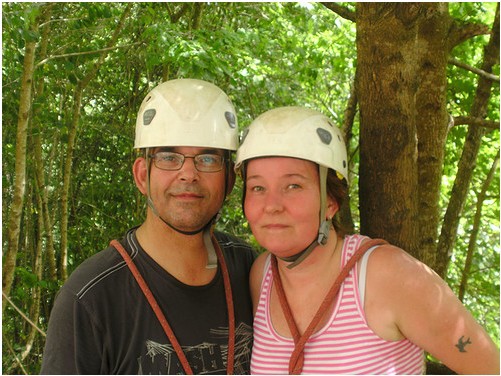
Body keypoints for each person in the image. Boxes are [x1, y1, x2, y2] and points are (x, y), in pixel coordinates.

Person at [234, 106, 500, 375]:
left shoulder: (388, 275)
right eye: (258, 187)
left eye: (293, 186)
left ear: (331, 202)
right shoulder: (263, 275)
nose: (272, 205)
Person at [41, 78, 256, 374]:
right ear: (143, 175)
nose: (188, 173)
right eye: (169, 157)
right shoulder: (91, 298)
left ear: (229, 180)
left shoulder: (249, 270)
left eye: (208, 159)